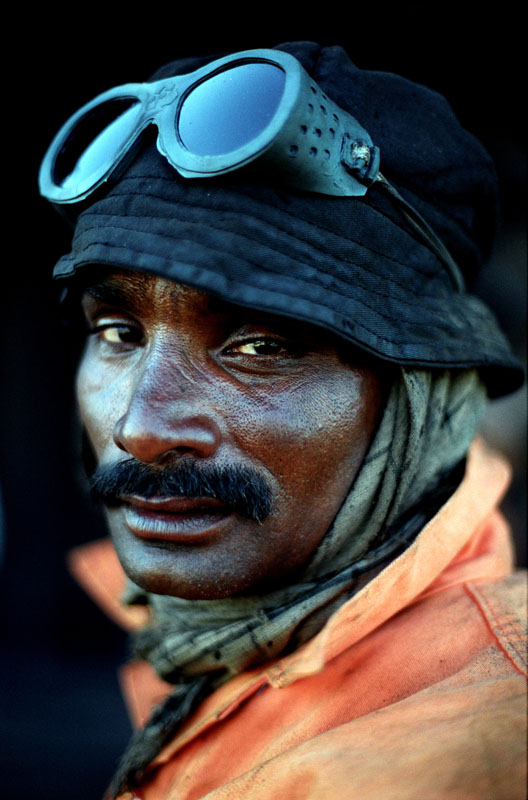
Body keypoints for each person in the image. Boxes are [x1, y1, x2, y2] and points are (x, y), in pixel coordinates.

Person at [39, 42, 526, 800]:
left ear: (422, 403)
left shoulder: (456, 759)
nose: (140, 425)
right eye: (118, 333)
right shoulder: (211, 648)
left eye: (260, 346)